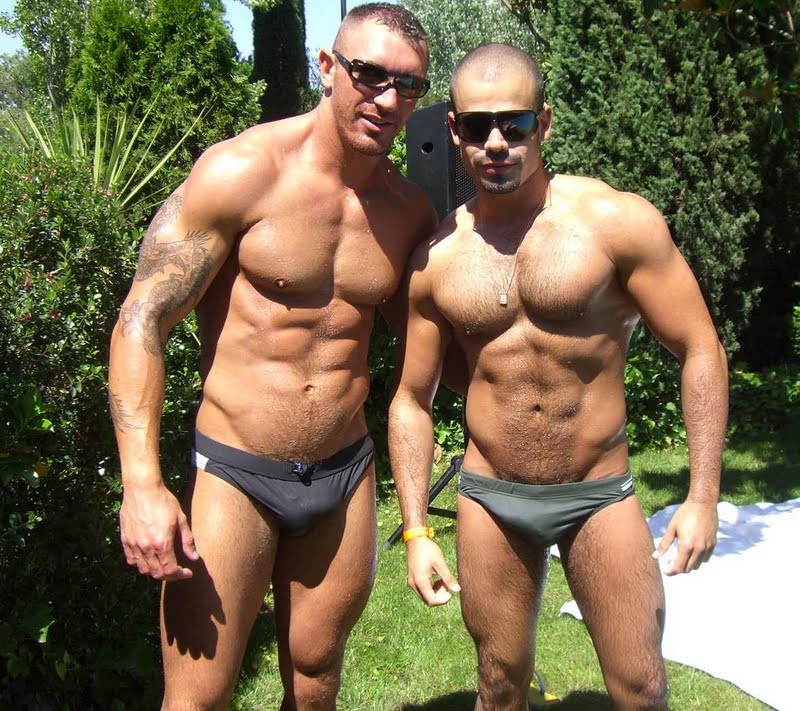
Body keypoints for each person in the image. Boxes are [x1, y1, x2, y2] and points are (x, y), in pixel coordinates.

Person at [108, 4, 437, 708]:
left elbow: (432, 348)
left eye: (408, 85)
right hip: (237, 471)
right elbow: (142, 318)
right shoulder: (242, 172)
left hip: (344, 473)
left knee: (316, 681)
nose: (387, 99)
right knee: (197, 697)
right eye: (370, 74)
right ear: (328, 67)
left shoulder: (408, 210)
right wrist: (141, 484)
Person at [388, 43, 728, 710]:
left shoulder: (615, 223)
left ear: (543, 123)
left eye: (514, 124)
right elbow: (410, 401)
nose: (496, 143)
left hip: (598, 493)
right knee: (498, 685)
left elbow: (700, 348)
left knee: (640, 687)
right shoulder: (437, 258)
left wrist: (703, 496)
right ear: (453, 129)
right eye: (477, 125)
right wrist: (417, 530)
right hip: (491, 497)